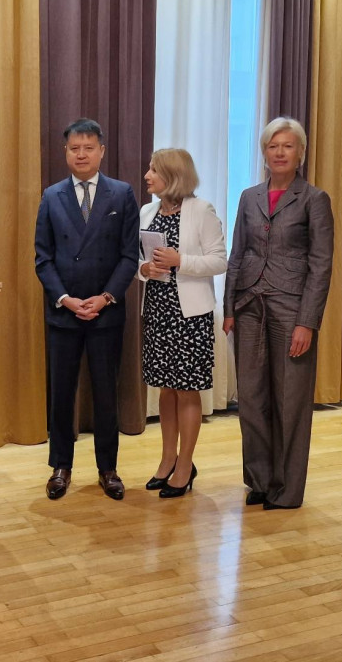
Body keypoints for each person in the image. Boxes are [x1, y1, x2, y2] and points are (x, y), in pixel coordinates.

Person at [222, 117, 333, 510]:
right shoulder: (249, 197)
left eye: (288, 146)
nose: (280, 152)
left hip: (291, 310)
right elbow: (238, 253)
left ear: (300, 153)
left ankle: (287, 490)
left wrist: (308, 322)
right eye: (273, 146)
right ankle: (260, 481)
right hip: (249, 306)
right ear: (264, 153)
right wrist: (229, 306)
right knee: (251, 399)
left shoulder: (314, 199)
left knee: (290, 401)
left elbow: (321, 266)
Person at [34, 118, 140, 500]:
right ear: (65, 152)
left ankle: (107, 468)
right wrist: (64, 298)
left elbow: (130, 256)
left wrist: (106, 297)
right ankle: (60, 466)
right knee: (61, 394)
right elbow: (42, 259)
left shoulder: (122, 194)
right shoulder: (51, 196)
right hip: (64, 312)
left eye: (88, 147)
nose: (81, 154)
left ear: (101, 151)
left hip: (106, 313)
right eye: (74, 148)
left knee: (106, 394)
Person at [137, 149, 227, 498]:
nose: (147, 175)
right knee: (165, 388)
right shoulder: (148, 211)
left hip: (190, 314)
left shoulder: (201, 209)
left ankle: (185, 465)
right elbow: (138, 259)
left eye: (154, 169)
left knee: (187, 390)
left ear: (172, 175)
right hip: (158, 310)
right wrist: (144, 270)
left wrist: (180, 260)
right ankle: (166, 460)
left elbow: (219, 260)